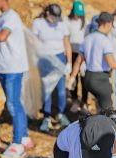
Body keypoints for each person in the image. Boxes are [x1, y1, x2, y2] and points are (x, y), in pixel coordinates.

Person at [0, 0, 33, 158]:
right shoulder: (2, 17)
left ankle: (17, 143)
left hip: (13, 67)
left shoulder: (11, 17)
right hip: (4, 66)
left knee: (13, 104)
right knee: (15, 102)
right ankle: (24, 137)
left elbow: (3, 37)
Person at [69, 12, 116, 111]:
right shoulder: (105, 41)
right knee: (108, 111)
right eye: (111, 26)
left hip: (88, 78)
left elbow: (78, 61)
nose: (111, 29)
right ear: (108, 24)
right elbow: (112, 63)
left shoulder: (87, 38)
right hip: (100, 79)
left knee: (100, 106)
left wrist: (72, 77)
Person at [32, 4, 72, 132]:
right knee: (46, 89)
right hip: (45, 59)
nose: (55, 20)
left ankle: (60, 113)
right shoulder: (38, 23)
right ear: (48, 14)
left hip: (60, 58)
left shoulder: (62, 24)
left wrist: (69, 62)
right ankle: (47, 116)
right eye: (53, 17)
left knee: (61, 89)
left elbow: (67, 43)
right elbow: (33, 42)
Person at [64, 1, 88, 113]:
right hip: (72, 52)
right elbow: (66, 38)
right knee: (73, 78)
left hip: (83, 53)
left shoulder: (85, 22)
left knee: (84, 79)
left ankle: (84, 102)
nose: (78, 15)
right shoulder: (67, 21)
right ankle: (74, 100)